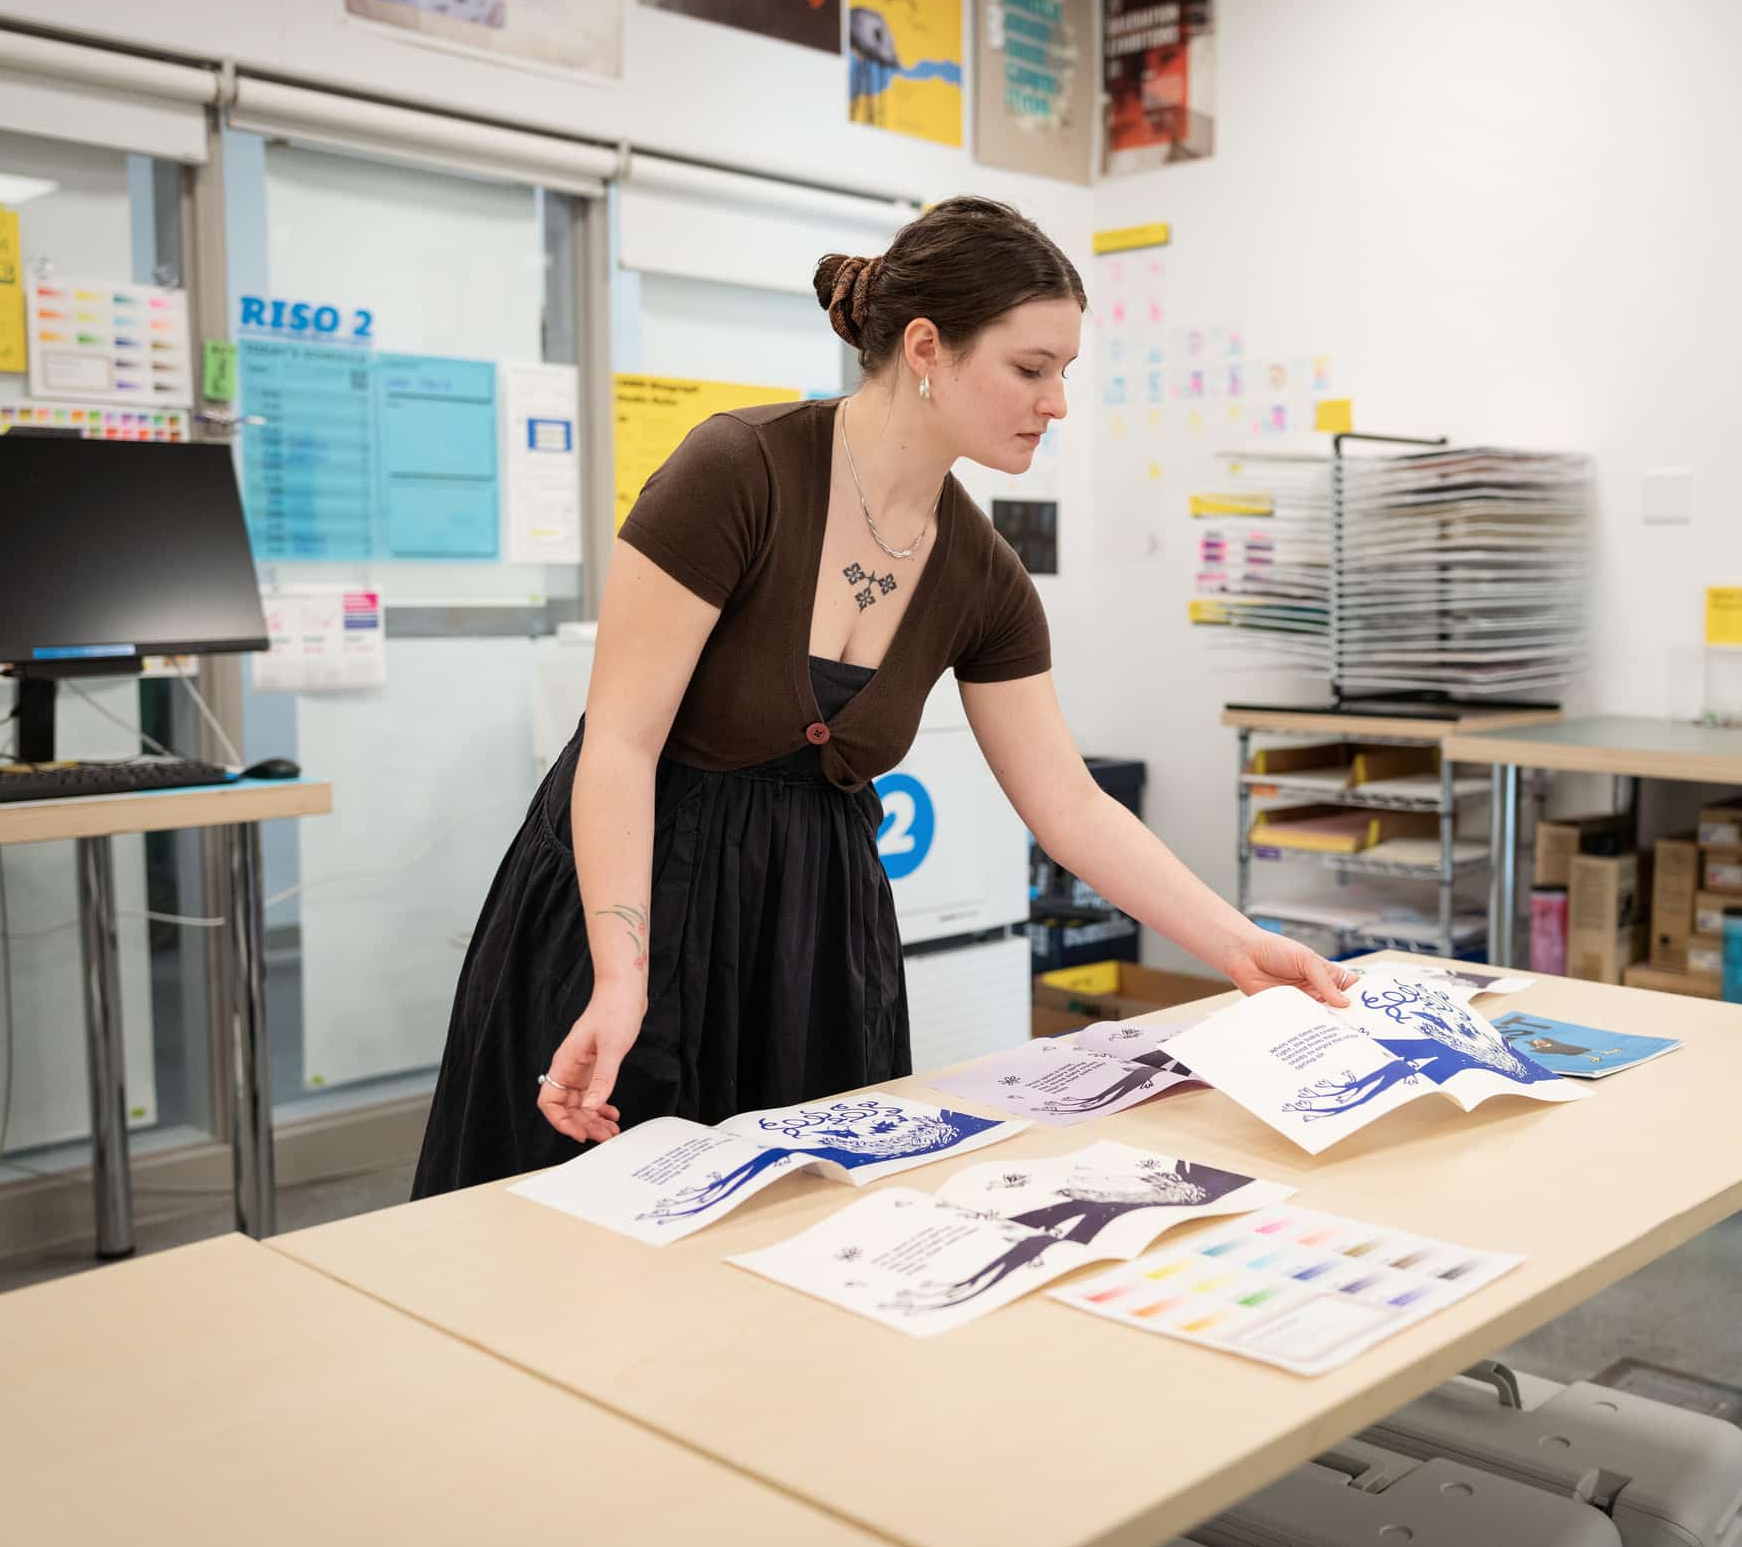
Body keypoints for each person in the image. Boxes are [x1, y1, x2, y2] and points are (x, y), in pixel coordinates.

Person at [412, 196, 1355, 1197]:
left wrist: (1239, 944)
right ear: (925, 347)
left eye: (1065, 374)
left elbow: (1070, 805)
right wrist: (620, 975)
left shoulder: (983, 577)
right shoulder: (738, 472)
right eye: (1031, 369)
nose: (1057, 403)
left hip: (808, 937)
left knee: (787, 1232)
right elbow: (621, 747)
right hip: (632, 895)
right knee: (579, 1222)